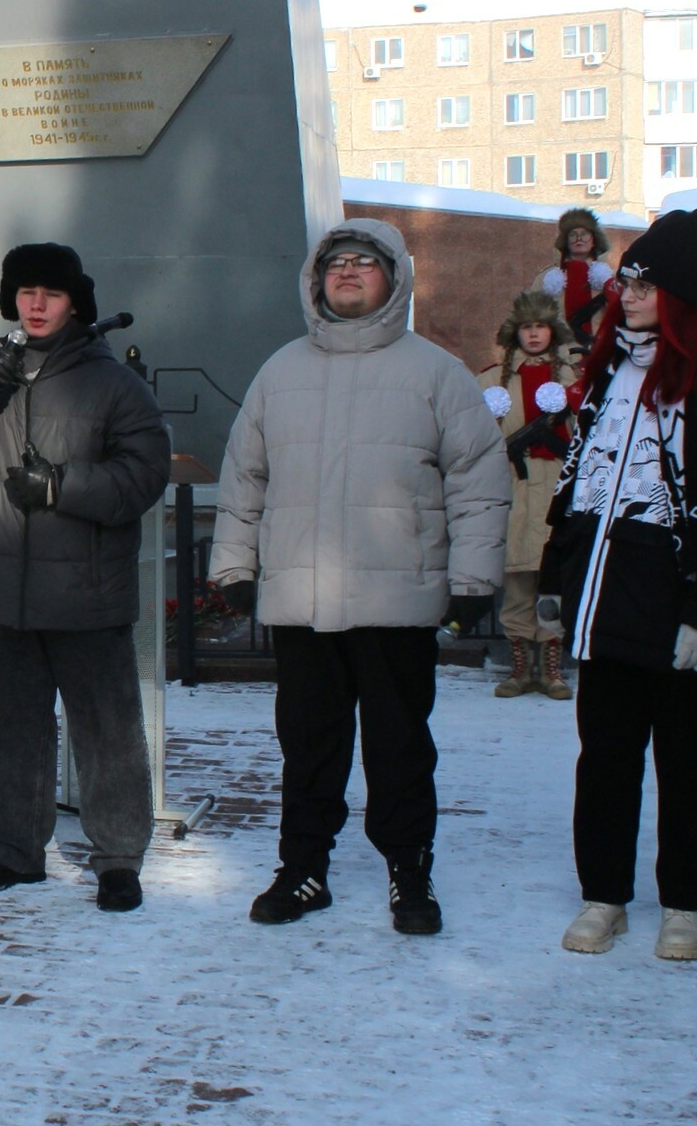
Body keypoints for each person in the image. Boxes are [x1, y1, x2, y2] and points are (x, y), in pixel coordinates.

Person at [212, 219, 510, 935]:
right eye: (335, 263)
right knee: (309, 746)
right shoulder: (280, 371)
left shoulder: (435, 371)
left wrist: (473, 579)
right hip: (303, 600)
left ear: (393, 279)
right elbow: (243, 477)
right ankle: (303, 867)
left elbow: (478, 479)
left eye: (364, 263)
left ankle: (410, 869)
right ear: (316, 280)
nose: (347, 272)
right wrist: (234, 564)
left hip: (396, 598)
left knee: (400, 746)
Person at [543, 209, 697, 964]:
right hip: (607, 596)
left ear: (675, 295)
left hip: (679, 600)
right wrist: (558, 583)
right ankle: (603, 894)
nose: (626, 292)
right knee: (603, 754)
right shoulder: (608, 374)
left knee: (683, 758)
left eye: (642, 282)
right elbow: (579, 487)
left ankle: (685, 904)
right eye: (626, 280)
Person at [0, 244, 169, 905]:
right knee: (8, 729)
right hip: (8, 593)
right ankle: (12, 847)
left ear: (74, 303)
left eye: (50, 294)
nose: (36, 304)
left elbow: (144, 474)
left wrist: (62, 486)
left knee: (107, 731)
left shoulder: (114, 384)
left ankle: (118, 855)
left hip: (86, 592)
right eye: (25, 292)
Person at [478, 291, 578, 700]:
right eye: (526, 327)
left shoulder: (573, 380)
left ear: (552, 332)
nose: (534, 334)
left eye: (540, 327)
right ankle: (521, 669)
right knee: (518, 582)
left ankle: (551, 671)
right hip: (515, 492)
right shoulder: (489, 381)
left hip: (557, 490)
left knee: (552, 583)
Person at [537, 209, 615, 345]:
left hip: (598, 352)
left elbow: (619, 314)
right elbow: (532, 315)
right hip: (559, 354)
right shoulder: (546, 277)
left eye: (584, 234)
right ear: (565, 241)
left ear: (594, 240)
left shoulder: (608, 276)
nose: (579, 239)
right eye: (573, 234)